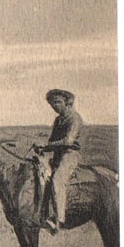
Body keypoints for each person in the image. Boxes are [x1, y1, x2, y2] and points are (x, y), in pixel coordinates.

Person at [34, 89, 83, 234]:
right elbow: (51, 142)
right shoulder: (58, 120)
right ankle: (43, 213)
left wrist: (48, 146)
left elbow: (69, 141)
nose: (54, 106)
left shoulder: (74, 118)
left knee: (57, 180)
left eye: (57, 102)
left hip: (69, 155)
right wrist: (42, 148)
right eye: (51, 104)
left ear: (67, 102)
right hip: (57, 155)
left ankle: (59, 220)